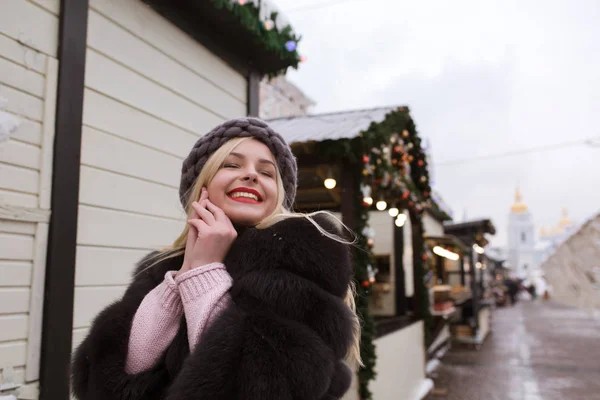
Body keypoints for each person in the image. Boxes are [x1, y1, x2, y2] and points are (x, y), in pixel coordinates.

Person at [71, 118, 361, 400]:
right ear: (202, 185)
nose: (251, 175)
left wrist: (206, 274)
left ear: (278, 197)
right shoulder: (160, 272)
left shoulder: (303, 261)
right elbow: (113, 385)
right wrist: (184, 275)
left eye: (267, 172)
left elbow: (259, 385)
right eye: (231, 164)